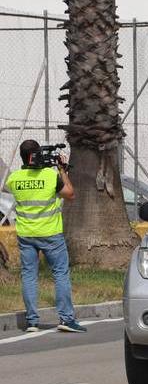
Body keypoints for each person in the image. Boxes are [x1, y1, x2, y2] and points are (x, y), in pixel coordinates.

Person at [4, 140, 81, 333]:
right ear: (37, 155)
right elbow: (70, 194)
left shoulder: (14, 179)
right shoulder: (50, 176)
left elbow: (26, 182)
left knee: (29, 276)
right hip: (50, 234)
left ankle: (31, 321)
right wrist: (62, 169)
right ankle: (66, 318)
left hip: (26, 235)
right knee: (60, 274)